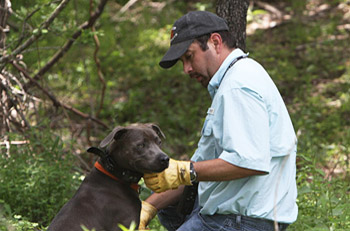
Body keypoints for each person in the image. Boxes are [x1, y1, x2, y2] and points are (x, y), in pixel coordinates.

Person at [139, 11, 298, 231]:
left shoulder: (238, 85)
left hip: (241, 222)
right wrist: (146, 208)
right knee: (169, 208)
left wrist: (185, 171)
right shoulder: (233, 81)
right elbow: (197, 169)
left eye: (189, 56)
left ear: (215, 42)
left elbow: (249, 160)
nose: (186, 69)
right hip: (235, 219)